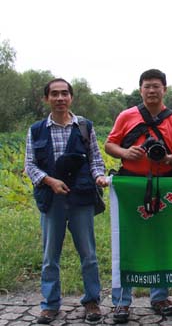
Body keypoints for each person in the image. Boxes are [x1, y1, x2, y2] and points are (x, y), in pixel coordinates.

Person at [105, 69, 172, 323]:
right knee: (126, 241)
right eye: (147, 86)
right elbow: (110, 144)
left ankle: (160, 296)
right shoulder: (126, 115)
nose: (151, 91)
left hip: (164, 185)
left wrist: (167, 158)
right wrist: (124, 153)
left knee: (161, 241)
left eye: (156, 86)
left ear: (165, 89)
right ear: (140, 89)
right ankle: (121, 300)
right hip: (131, 184)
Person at [24, 78, 108, 324]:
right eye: (54, 94)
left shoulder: (84, 127)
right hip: (52, 200)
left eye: (64, 94)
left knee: (89, 255)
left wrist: (99, 176)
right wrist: (50, 181)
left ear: (71, 97)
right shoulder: (37, 129)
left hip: (81, 198)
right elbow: (30, 165)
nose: (60, 98)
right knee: (50, 256)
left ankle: (92, 302)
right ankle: (50, 304)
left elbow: (95, 159)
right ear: (46, 99)